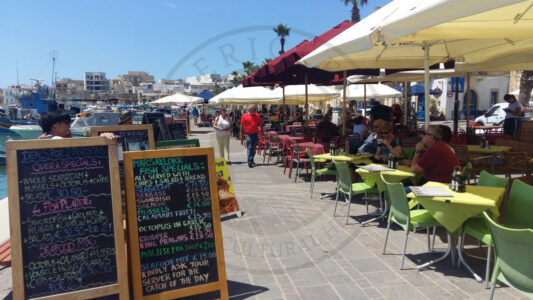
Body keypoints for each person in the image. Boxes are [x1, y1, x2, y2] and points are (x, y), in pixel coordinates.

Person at [38, 109, 115, 140]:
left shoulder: (40, 141)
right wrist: (101, 139)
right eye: (66, 122)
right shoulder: (57, 140)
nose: (69, 126)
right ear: (55, 125)